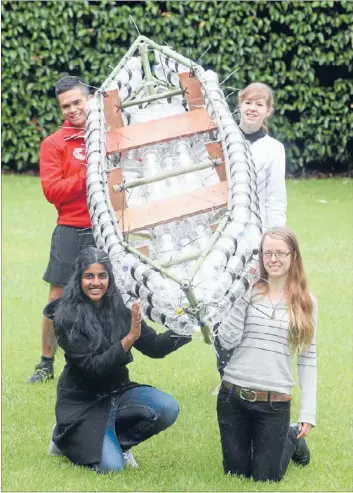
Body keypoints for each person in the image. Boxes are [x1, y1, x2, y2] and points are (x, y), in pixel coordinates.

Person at [45, 246, 191, 472]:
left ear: (110, 278)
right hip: (82, 403)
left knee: (167, 408)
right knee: (111, 468)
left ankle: (121, 443)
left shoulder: (119, 308)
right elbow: (93, 368)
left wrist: (187, 326)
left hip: (117, 393)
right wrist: (130, 338)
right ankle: (63, 437)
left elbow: (154, 347)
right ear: (78, 279)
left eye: (102, 276)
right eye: (89, 276)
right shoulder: (66, 317)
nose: (96, 283)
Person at [216, 227, 317, 481]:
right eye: (267, 253)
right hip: (233, 398)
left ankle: (290, 436)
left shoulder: (306, 303)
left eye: (280, 253)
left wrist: (308, 411)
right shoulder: (247, 293)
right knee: (236, 475)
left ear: (293, 256)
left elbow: (307, 358)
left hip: (274, 403)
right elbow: (227, 340)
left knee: (266, 478)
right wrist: (239, 297)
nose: (273, 259)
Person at [28, 75, 96, 383]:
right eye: (65, 106)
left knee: (105, 298)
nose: (71, 110)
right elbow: (52, 191)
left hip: (106, 230)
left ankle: (97, 363)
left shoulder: (108, 137)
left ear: (89, 100)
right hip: (70, 227)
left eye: (77, 102)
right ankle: (45, 363)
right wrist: (88, 173)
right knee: (57, 297)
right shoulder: (53, 144)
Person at [238, 82, 287, 229]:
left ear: (268, 111)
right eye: (248, 103)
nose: (252, 108)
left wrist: (274, 235)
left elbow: (275, 198)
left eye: (259, 104)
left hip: (255, 231)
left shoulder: (274, 149)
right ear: (240, 106)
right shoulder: (221, 139)